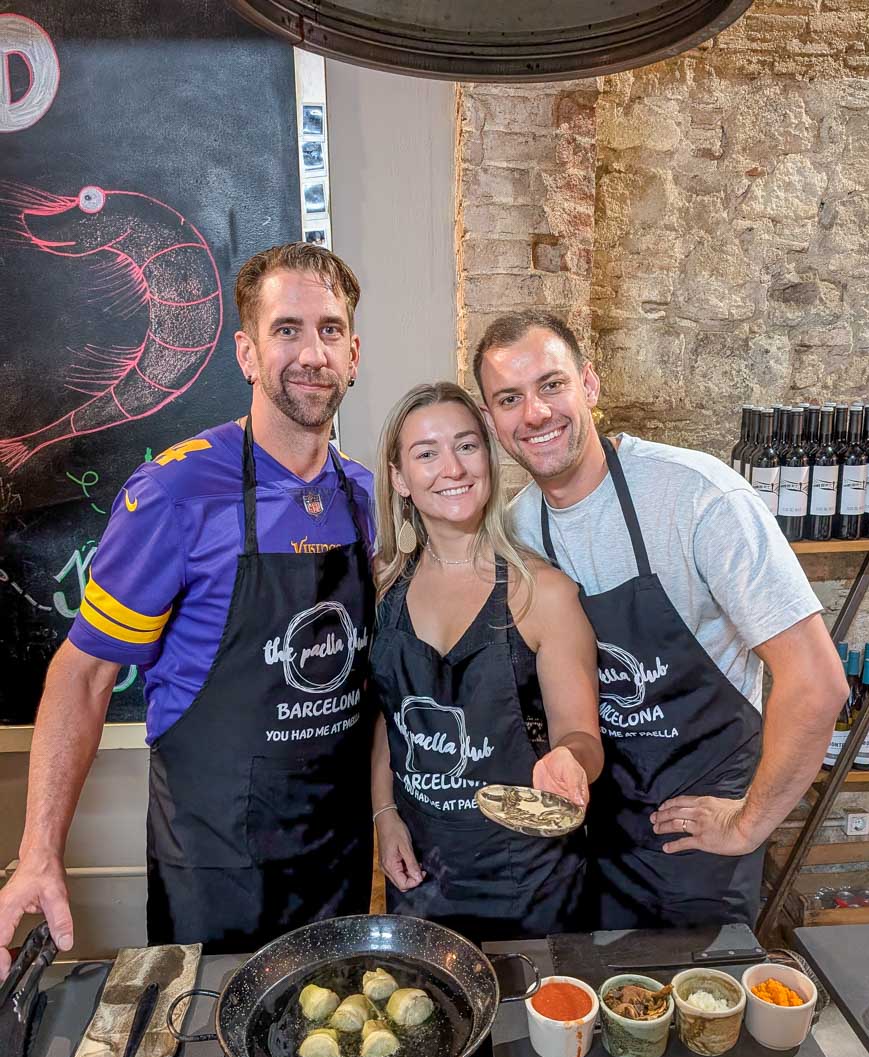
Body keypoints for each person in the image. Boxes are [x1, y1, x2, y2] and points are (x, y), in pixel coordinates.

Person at [0, 243, 376, 971]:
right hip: (215, 867)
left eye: (330, 330)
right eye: (287, 329)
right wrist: (38, 855)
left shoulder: (362, 495)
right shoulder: (172, 493)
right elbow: (81, 678)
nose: (311, 352)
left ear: (353, 353)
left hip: (337, 858)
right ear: (246, 351)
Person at [474, 311, 848, 930]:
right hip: (594, 836)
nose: (534, 414)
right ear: (491, 421)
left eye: (551, 385)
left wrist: (747, 822)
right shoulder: (517, 530)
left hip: (699, 838)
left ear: (589, 386)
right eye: (509, 399)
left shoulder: (697, 497)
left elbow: (816, 683)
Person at [369, 381, 603, 943]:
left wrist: (570, 762)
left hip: (530, 881)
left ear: (490, 459)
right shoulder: (382, 591)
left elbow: (582, 735)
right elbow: (388, 716)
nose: (452, 468)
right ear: (400, 478)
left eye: (467, 446)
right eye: (426, 453)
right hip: (422, 876)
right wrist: (384, 814)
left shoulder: (542, 593)